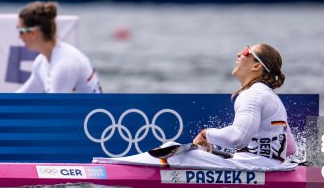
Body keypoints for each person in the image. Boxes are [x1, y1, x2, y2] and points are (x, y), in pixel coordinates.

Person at [110, 43, 299, 171]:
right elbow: (290, 149)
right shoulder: (269, 95)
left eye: (246, 51)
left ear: (257, 66)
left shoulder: (253, 95)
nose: (239, 54)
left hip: (254, 168)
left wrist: (206, 134)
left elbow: (238, 139)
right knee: (180, 151)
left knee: (173, 152)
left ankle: (115, 168)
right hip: (263, 167)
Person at [15, 1, 101, 93]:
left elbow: (54, 107)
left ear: (34, 33)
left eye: (20, 31)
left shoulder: (64, 65)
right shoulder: (41, 62)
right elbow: (22, 96)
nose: (19, 37)